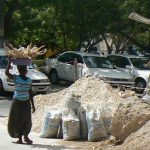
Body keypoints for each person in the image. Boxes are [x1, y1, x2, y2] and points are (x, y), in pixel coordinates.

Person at [5, 59, 35, 144]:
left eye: (25, 70)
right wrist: (9, 61)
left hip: (26, 102)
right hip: (17, 102)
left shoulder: (29, 80)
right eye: (22, 70)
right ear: (19, 71)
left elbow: (30, 92)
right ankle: (20, 138)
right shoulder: (16, 78)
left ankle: (26, 136)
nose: (24, 72)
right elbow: (7, 73)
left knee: (27, 120)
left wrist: (33, 105)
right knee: (17, 119)